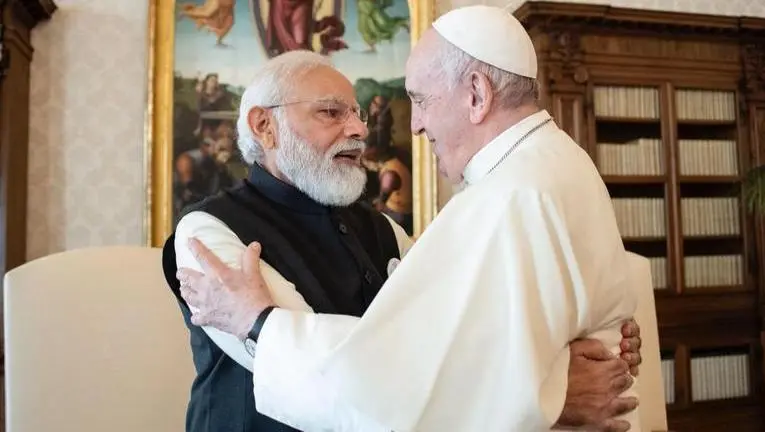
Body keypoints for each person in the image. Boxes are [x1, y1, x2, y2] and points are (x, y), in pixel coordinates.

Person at [170, 42, 645, 432]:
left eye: (356, 113)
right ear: (263, 125)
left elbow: (461, 331)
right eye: (332, 112)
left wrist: (559, 347)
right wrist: (548, 384)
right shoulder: (205, 232)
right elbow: (335, 371)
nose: (358, 129)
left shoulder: (381, 228)